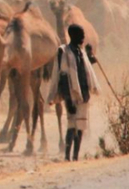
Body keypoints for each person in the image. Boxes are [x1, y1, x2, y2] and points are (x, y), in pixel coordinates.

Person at [47, 24, 100, 161]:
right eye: (80, 35)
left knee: (81, 126)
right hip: (71, 94)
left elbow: (86, 67)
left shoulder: (80, 51)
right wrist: (68, 99)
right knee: (72, 126)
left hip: (84, 94)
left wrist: (90, 55)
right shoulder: (64, 52)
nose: (83, 37)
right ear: (73, 35)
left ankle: (75, 156)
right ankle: (67, 156)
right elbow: (63, 76)